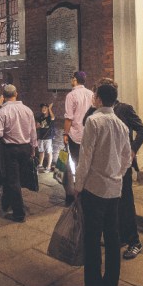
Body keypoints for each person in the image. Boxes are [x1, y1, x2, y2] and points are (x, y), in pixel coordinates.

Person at [70, 84, 132, 286]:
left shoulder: (94, 121)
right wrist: (117, 175)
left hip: (94, 190)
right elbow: (127, 158)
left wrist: (78, 186)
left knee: (92, 240)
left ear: (98, 98)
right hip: (114, 190)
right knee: (113, 240)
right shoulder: (121, 125)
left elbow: (85, 158)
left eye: (94, 95)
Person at [81, 78, 143, 261]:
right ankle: (118, 238)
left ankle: (135, 242)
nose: (94, 96)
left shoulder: (124, 109)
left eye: (96, 93)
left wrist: (133, 150)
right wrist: (92, 106)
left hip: (122, 165)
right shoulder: (95, 114)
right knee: (111, 207)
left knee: (126, 203)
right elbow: (83, 122)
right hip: (104, 168)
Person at [0, 85, 37, 223]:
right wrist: (33, 148)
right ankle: (7, 202)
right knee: (18, 179)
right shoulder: (28, 110)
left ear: (3, 95)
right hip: (25, 147)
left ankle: (19, 213)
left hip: (10, 150)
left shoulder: (2, 112)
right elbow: (33, 132)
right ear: (16, 93)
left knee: (13, 180)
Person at [63, 71, 94, 206]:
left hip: (75, 135)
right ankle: (88, 191)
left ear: (75, 80)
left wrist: (65, 133)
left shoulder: (71, 95)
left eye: (72, 78)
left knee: (76, 164)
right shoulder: (91, 94)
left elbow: (69, 117)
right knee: (88, 164)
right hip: (89, 134)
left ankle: (77, 193)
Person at [36, 103, 55, 172]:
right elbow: (37, 126)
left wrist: (50, 108)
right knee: (41, 151)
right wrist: (40, 125)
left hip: (48, 137)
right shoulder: (40, 117)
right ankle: (40, 165)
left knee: (49, 152)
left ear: (47, 109)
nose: (43, 109)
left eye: (45, 108)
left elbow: (53, 117)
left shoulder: (50, 117)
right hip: (41, 137)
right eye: (42, 108)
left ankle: (48, 167)